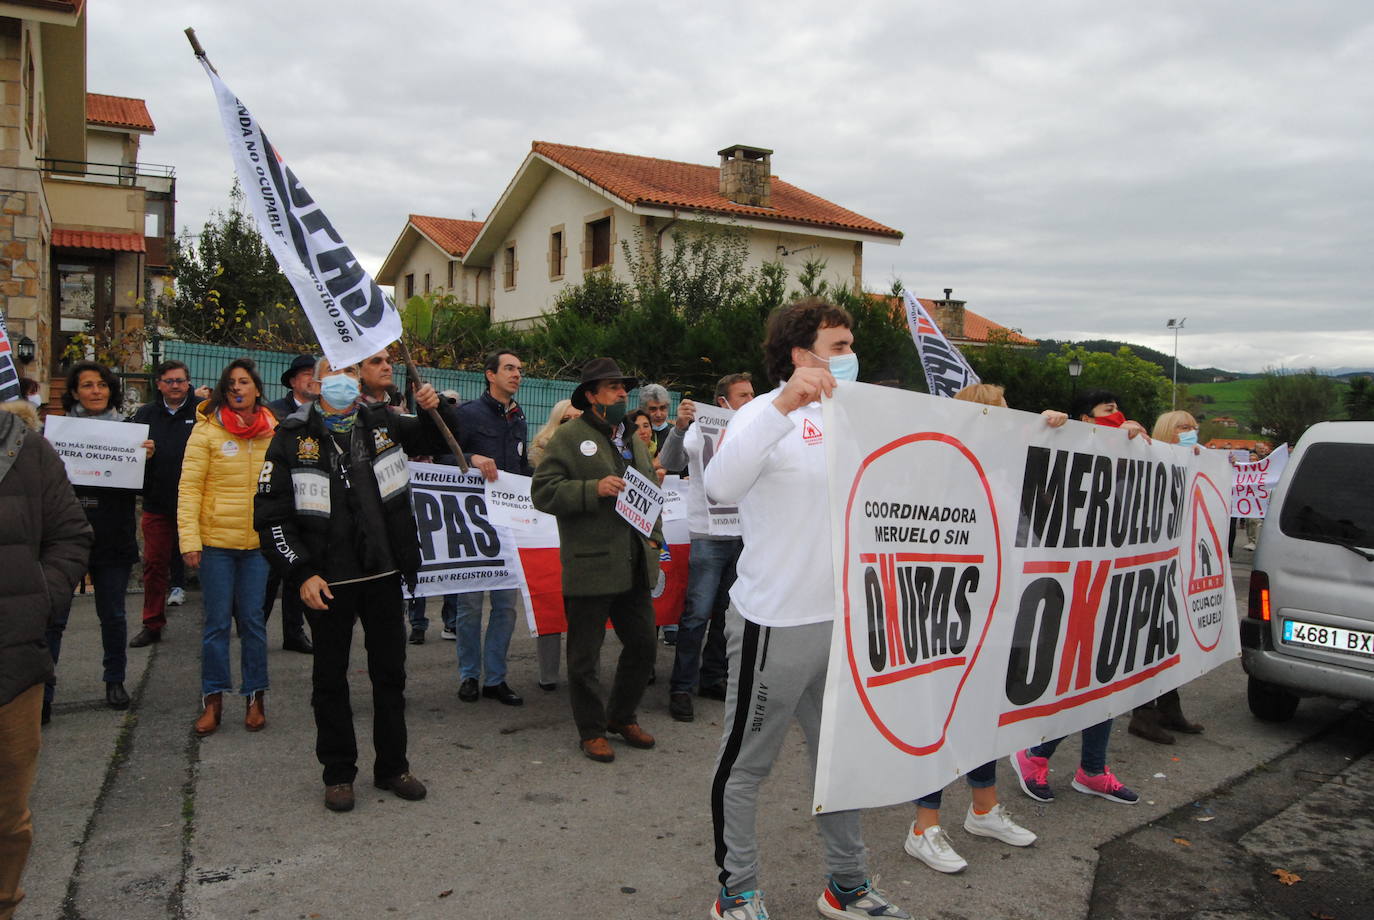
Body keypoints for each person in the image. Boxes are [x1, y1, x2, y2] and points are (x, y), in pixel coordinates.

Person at [704, 297, 909, 920]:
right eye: (840, 346)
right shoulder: (763, 414)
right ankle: (736, 891)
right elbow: (720, 487)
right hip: (778, 622)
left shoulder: (864, 414)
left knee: (841, 764)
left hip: (845, 625)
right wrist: (789, 404)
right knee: (746, 764)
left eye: (851, 346)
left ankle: (846, 885)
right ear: (801, 355)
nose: (853, 357)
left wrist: (1038, 433)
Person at [254, 356, 456, 812]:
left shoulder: (383, 420)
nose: (344, 382)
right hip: (327, 582)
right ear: (316, 380)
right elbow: (271, 517)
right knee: (330, 681)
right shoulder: (290, 436)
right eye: (336, 373)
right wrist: (302, 573)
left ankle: (393, 768)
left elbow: (438, 437)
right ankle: (339, 774)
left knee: (390, 677)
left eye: (351, 373)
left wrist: (432, 406)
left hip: (384, 575)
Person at [900, 382, 1045, 874]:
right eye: (1002, 412)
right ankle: (923, 827)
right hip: (948, 615)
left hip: (996, 614)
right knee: (941, 718)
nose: (1009, 420)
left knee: (982, 715)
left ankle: (983, 808)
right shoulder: (940, 474)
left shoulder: (1002, 474)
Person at [1009, 389, 1146, 808]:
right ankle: (1036, 754)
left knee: (1101, 680)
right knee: (1076, 680)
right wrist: (1046, 426)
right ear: (1086, 418)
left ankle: (1092, 769)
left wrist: (1143, 444)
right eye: (1109, 411)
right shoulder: (1060, 447)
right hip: (1060, 585)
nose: (1118, 416)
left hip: (1104, 582)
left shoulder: (1123, 457)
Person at [531, 358, 662, 764]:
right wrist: (593, 488)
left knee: (643, 645)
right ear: (590, 396)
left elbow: (646, 497)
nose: (622, 394)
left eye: (624, 387)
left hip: (634, 563)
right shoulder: (569, 437)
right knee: (584, 656)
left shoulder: (632, 438)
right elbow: (544, 492)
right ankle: (591, 730)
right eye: (612, 388)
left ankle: (621, 717)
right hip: (591, 563)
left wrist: (653, 541)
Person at [0, 401, 90, 919]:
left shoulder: (27, 449)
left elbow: (71, 536)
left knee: (5, 821)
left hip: (11, 665)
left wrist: (36, 601)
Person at [180, 358, 278, 735]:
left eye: (245, 382)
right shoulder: (206, 432)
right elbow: (189, 488)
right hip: (216, 544)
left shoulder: (274, 431)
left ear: (257, 388)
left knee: (253, 622)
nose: (238, 388)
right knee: (216, 625)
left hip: (257, 545)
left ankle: (255, 697)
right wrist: (190, 540)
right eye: (231, 383)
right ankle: (213, 700)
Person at [50, 361, 154, 712]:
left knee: (112, 615)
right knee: (54, 617)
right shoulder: (59, 432)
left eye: (102, 385)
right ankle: (44, 692)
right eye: (87, 385)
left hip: (112, 533)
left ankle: (115, 681)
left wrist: (146, 460)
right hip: (63, 536)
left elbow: (145, 488)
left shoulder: (130, 431)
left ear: (111, 390)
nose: (95, 391)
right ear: (75, 392)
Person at [657, 372, 754, 723]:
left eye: (752, 394)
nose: (750, 399)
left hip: (743, 536)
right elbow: (669, 463)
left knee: (727, 613)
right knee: (697, 612)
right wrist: (680, 428)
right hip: (708, 536)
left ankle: (711, 677)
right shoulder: (699, 430)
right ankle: (681, 687)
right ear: (722, 402)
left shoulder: (756, 429)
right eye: (742, 395)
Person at [452, 351, 532, 706]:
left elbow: (521, 467)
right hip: (473, 525)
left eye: (519, 370)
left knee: (506, 606)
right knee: (469, 604)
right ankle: (469, 675)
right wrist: (470, 459)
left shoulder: (519, 419)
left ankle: (495, 679)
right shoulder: (467, 415)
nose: (516, 375)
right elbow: (440, 456)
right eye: (509, 369)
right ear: (490, 375)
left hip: (509, 525)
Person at [1126, 410, 1207, 745]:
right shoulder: (1146, 458)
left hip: (1175, 565)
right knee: (1147, 638)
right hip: (1147, 565)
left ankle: (1169, 707)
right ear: (1166, 432)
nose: (1190, 431)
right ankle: (1143, 714)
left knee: (1169, 638)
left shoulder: (1192, 462)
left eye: (1193, 426)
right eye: (1182, 427)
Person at [129, 361, 198, 648]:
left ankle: (226, 622)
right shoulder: (144, 414)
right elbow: (125, 452)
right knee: (154, 565)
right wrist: (141, 453)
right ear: (158, 384)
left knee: (215, 565)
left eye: (180, 381)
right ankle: (152, 623)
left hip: (197, 505)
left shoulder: (203, 411)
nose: (175, 386)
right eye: (169, 381)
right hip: (158, 503)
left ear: (188, 382)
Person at [261, 354, 318, 655]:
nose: (312, 378)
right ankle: (255, 626)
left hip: (310, 500)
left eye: (315, 374)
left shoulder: (325, 413)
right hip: (280, 498)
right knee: (273, 569)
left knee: (300, 567)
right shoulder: (273, 413)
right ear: (293, 381)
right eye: (306, 373)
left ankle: (294, 632)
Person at [528, 398, 580, 690]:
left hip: (578, 538)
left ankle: (582, 673)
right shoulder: (540, 453)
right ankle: (548, 674)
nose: (571, 425)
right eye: (565, 420)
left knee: (583, 611)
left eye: (577, 419)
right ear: (555, 422)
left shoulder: (594, 450)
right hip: (545, 538)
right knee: (547, 602)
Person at [626, 408, 667, 484]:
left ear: (651, 430)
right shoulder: (623, 454)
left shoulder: (660, 455)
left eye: (646, 426)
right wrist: (652, 466)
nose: (642, 432)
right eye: (636, 428)